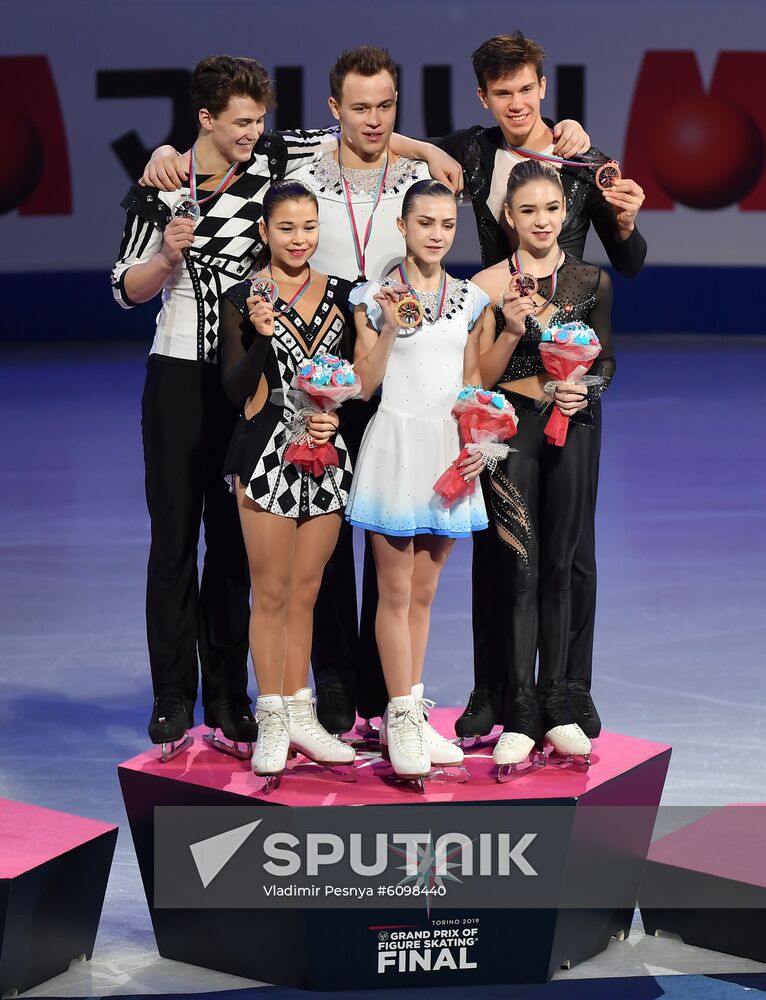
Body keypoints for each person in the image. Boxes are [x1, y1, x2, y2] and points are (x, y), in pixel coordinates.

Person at [140, 46, 590, 739]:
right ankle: (333, 682)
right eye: (359, 107)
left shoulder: (419, 173)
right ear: (333, 113)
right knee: (317, 534)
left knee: (396, 531)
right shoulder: (295, 164)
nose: (374, 120)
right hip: (323, 365)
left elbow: (456, 162)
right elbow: (228, 144)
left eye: (386, 108)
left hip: (398, 364)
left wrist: (424, 143)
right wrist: (166, 150)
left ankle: (392, 694)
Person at [433, 32, 646, 742]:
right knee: (501, 548)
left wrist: (625, 217)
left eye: (527, 89)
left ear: (543, 86)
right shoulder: (471, 152)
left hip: (573, 369)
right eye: (503, 94)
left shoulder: (583, 161)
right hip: (503, 363)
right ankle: (494, 689)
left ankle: (569, 691)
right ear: (483, 98)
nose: (518, 104)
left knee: (570, 551)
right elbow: (397, 148)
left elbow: (631, 259)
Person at [111, 55, 290, 760]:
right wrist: (164, 259)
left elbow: (357, 143)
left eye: (260, 120)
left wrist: (426, 148)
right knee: (174, 543)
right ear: (206, 119)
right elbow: (125, 288)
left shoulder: (272, 172)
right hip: (178, 381)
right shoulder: (157, 190)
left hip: (243, 382)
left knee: (236, 549)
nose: (254, 131)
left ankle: (228, 696)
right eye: (241, 121)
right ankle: (172, 698)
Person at [472, 158, 615, 772]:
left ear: (565, 213)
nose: (541, 221)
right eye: (527, 210)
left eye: (552, 209)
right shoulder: (484, 285)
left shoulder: (591, 280)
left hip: (575, 432)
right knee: (520, 573)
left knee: (560, 569)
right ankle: (519, 711)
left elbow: (607, 359)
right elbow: (478, 376)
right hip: (511, 438)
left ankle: (558, 704)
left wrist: (591, 388)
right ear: (508, 216)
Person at [347, 179, 490, 782]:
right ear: (403, 227)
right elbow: (365, 382)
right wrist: (384, 325)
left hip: (447, 451)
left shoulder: (471, 300)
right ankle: (398, 716)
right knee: (394, 590)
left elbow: (473, 379)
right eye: (424, 223)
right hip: (395, 446)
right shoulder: (372, 296)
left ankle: (412, 706)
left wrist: (482, 440)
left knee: (426, 595)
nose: (436, 234)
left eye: (446, 225)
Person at [219, 180, 357, 784]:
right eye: (286, 229)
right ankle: (269, 713)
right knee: (270, 591)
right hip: (265, 453)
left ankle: (299, 710)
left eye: (308, 227)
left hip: (325, 454)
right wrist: (263, 334)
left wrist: (337, 414)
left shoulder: (346, 296)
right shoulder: (242, 298)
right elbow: (232, 387)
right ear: (264, 233)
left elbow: (354, 376)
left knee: (306, 591)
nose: (299, 239)